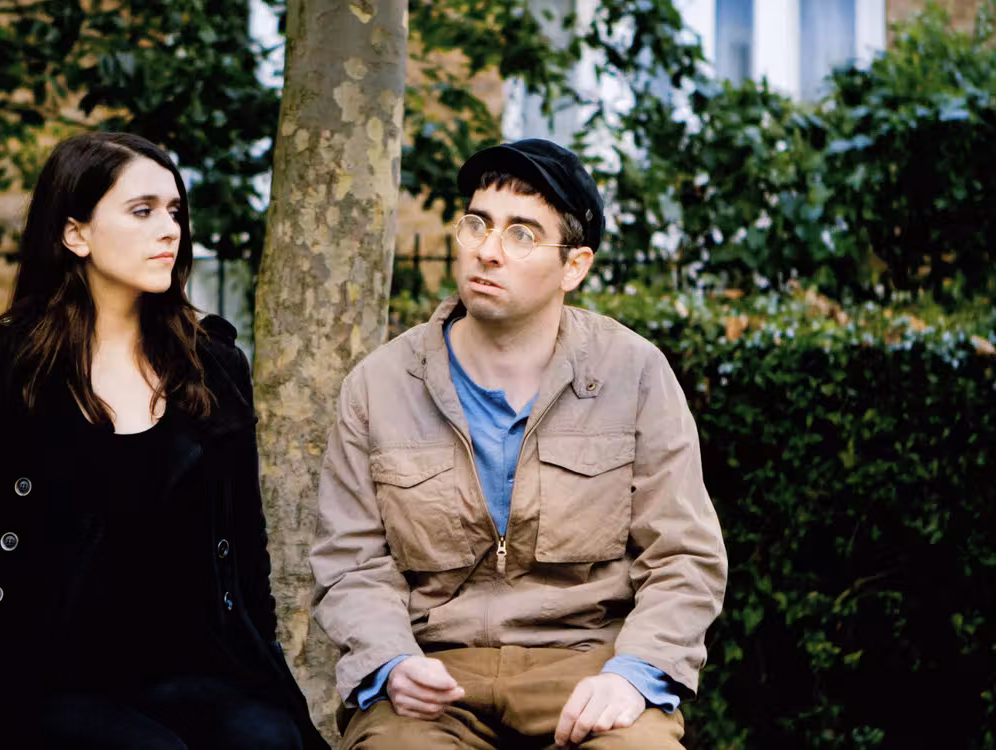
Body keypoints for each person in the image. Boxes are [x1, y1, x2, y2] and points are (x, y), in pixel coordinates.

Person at [0, 131, 327, 750]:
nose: (169, 230)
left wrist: (267, 683)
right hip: (38, 672)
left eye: (174, 212)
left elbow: (247, 560)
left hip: (191, 669)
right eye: (142, 211)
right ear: (76, 234)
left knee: (267, 740)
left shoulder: (214, 366)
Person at [309, 139, 728, 749]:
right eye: (477, 224)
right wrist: (391, 662)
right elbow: (352, 563)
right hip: (435, 675)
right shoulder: (379, 385)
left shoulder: (633, 373)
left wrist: (633, 675)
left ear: (574, 267)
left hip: (588, 669)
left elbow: (683, 557)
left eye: (522, 234)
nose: (487, 249)